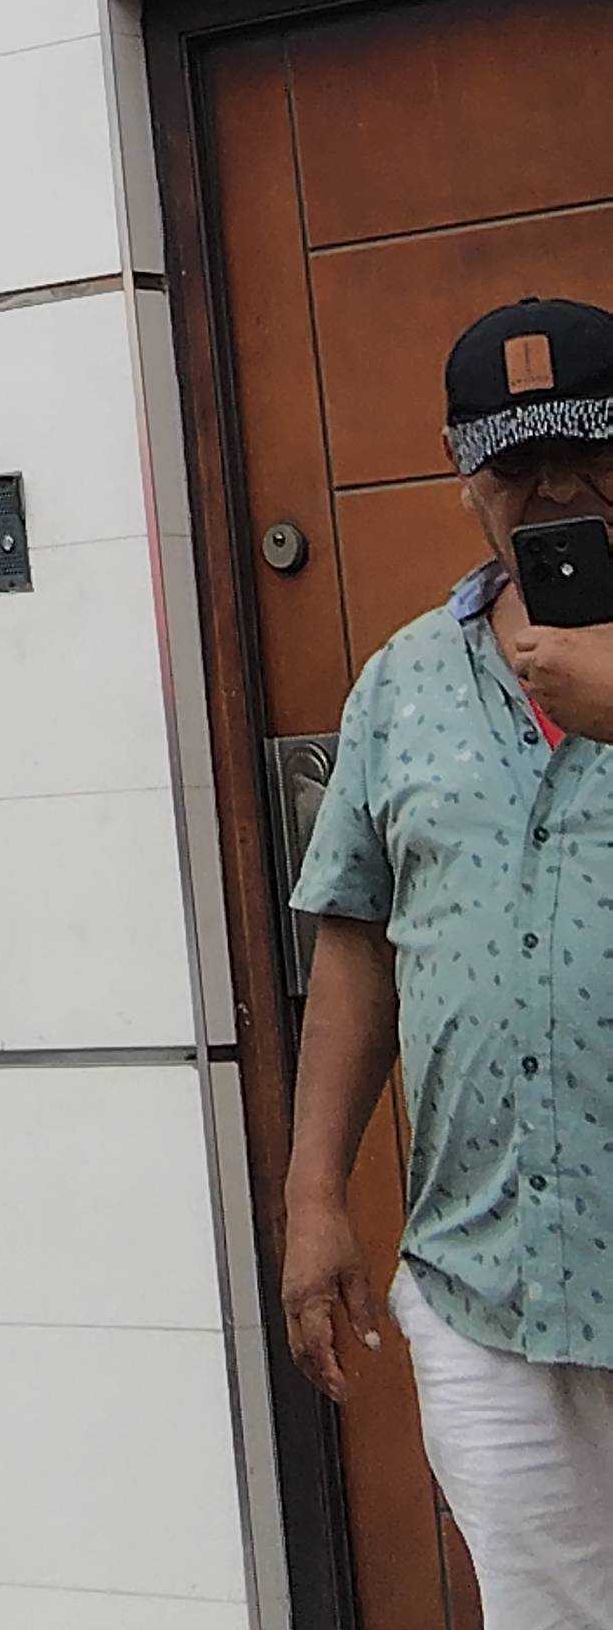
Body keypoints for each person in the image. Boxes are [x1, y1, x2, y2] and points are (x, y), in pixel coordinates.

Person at [284, 295, 613, 1626]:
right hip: (486, 1279)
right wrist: (315, 1190)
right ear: (460, 471)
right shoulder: (401, 684)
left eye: (588, 451)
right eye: (516, 463)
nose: (556, 490)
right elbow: (357, 938)